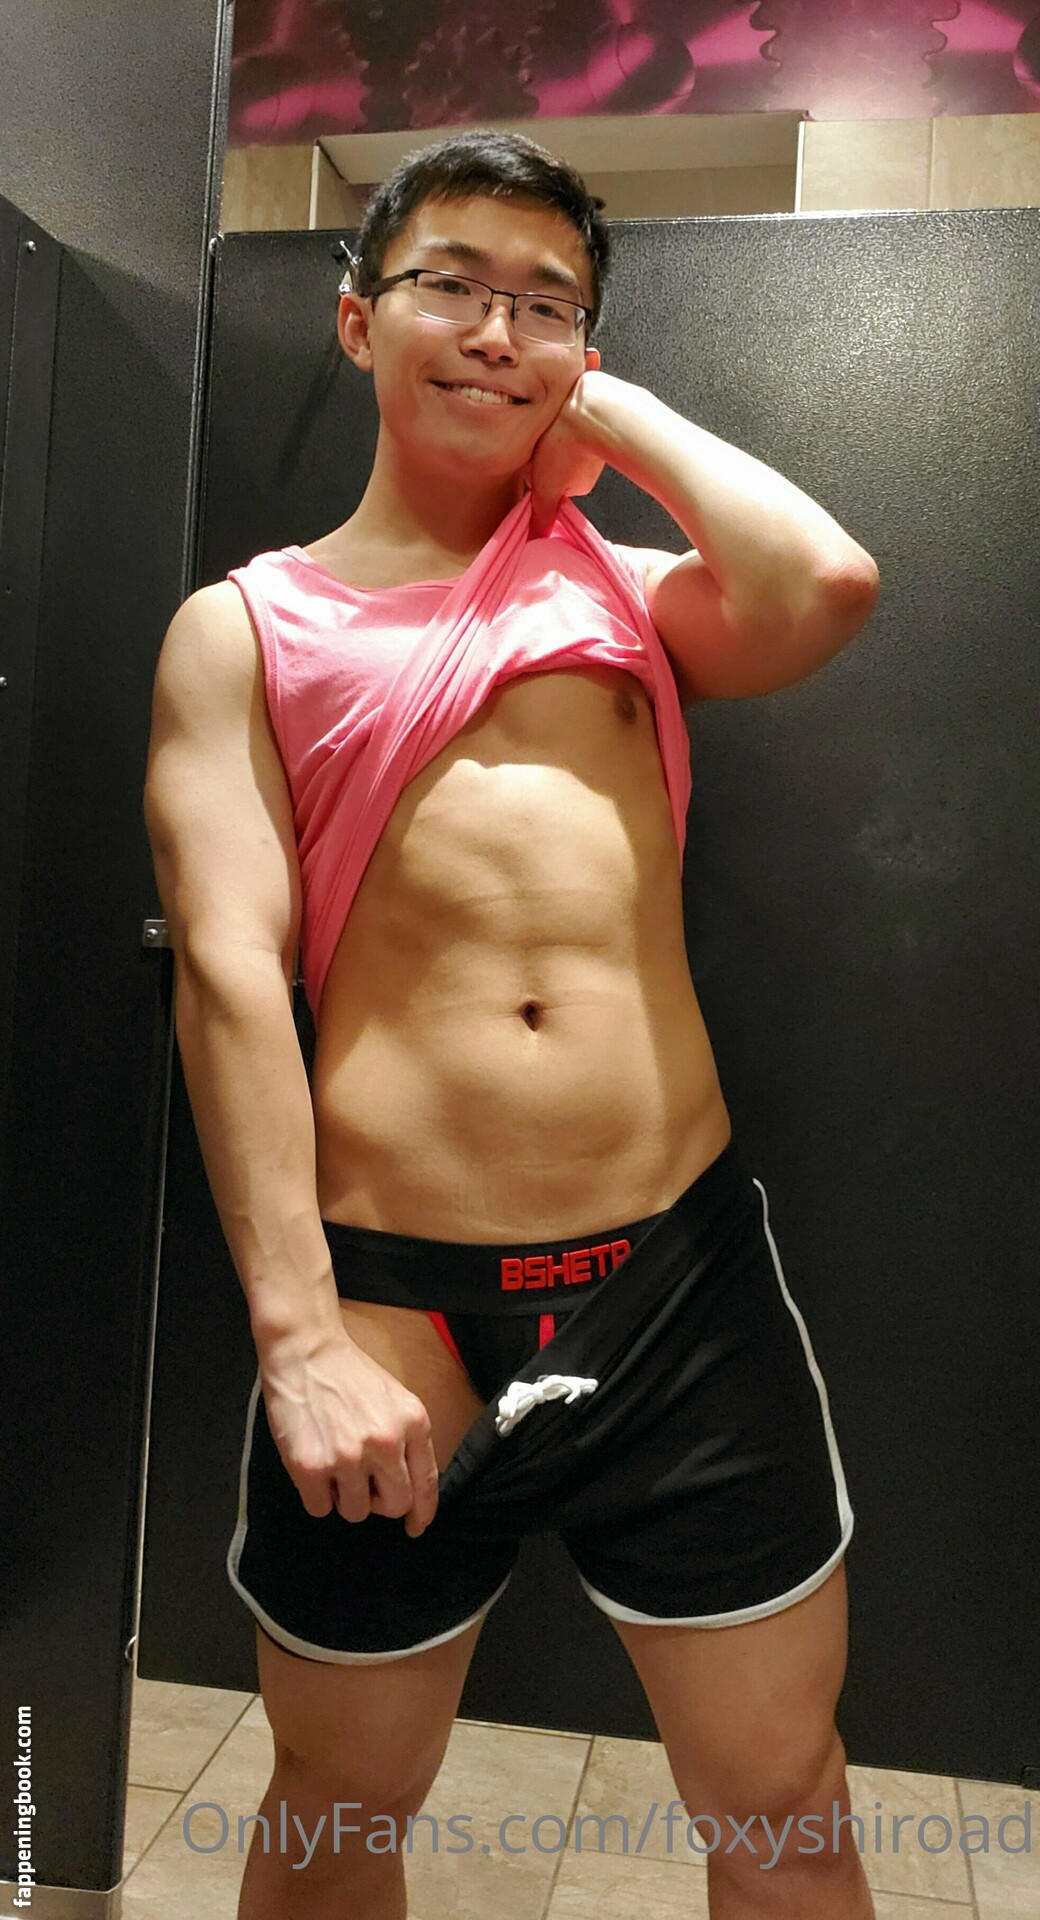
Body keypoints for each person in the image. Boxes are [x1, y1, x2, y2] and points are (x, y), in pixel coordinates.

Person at [144, 129, 880, 1920]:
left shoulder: (621, 593)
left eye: (545, 303)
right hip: (391, 1313)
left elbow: (824, 583)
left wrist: (603, 415)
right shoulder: (248, 630)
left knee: (785, 1803)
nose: (496, 329)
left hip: (674, 1289)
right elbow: (229, 977)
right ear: (356, 320)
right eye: (453, 286)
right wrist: (298, 1340)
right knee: (337, 1812)